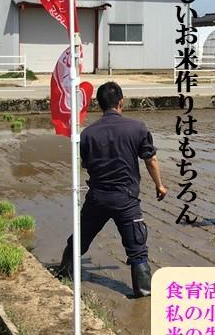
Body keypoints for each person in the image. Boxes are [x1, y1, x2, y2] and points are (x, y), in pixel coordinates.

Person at [57, 82, 167, 298]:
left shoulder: (87, 134)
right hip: (126, 199)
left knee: (79, 240)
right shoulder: (137, 128)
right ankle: (143, 293)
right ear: (121, 102)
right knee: (137, 247)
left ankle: (64, 274)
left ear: (100, 105)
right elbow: (150, 159)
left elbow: (86, 165)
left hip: (97, 198)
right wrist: (159, 185)